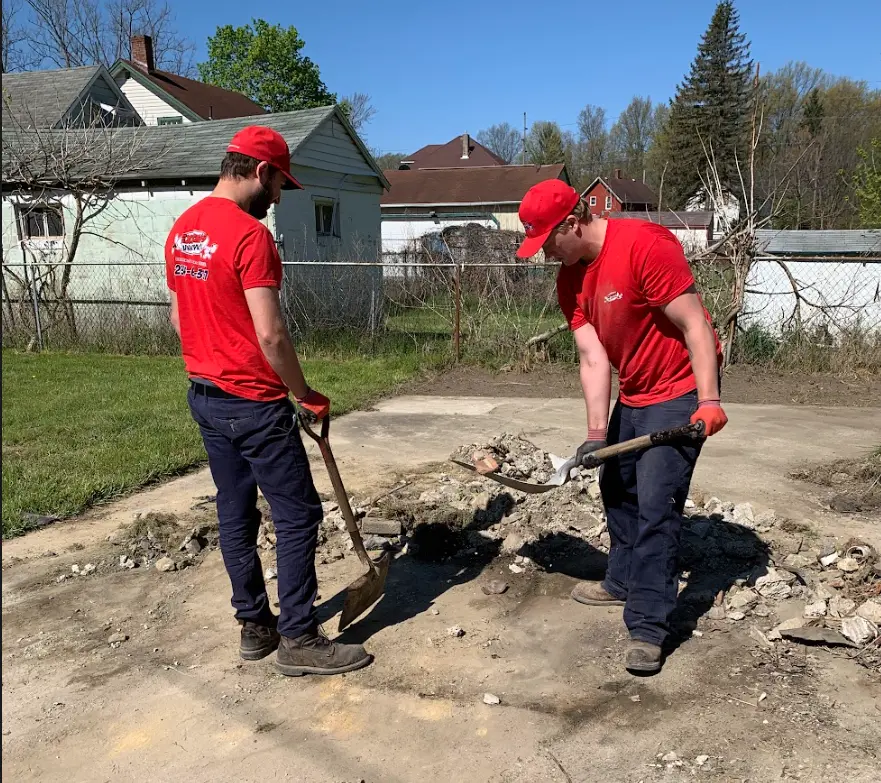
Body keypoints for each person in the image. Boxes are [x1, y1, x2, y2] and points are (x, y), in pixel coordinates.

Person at [164, 125, 373, 677]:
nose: (279, 197)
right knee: (298, 514)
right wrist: (305, 394)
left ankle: (255, 626)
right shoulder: (248, 237)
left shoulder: (183, 230)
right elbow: (272, 334)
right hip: (255, 404)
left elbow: (177, 317)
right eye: (280, 184)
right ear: (259, 171)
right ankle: (299, 638)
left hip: (204, 397)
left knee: (234, 511)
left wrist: (210, 360)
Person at [516, 179, 728, 673]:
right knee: (618, 484)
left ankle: (649, 626)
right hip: (634, 390)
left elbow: (695, 324)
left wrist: (709, 399)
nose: (546, 253)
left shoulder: (644, 245)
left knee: (657, 504)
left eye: (548, 241)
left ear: (573, 223)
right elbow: (593, 357)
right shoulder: (571, 278)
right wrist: (596, 433)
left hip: (677, 390)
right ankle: (623, 580)